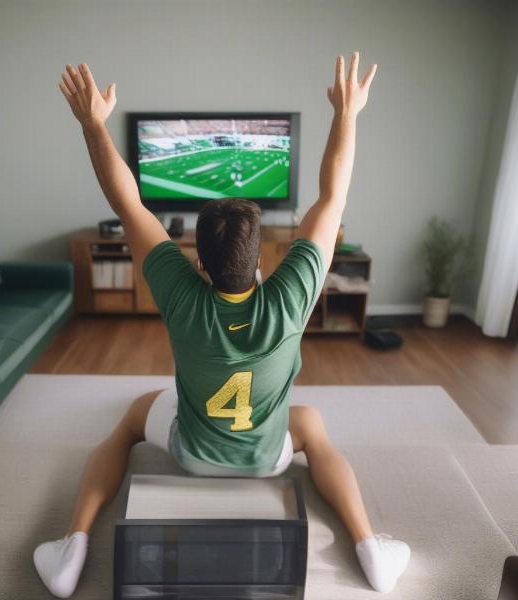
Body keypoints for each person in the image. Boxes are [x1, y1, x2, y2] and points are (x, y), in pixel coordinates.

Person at [34, 52, 410, 598]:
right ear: (261, 260)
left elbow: (127, 201)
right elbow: (333, 197)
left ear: (200, 264)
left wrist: (94, 123)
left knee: (135, 416)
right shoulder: (292, 296)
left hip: (192, 456)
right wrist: (347, 113)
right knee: (312, 425)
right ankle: (370, 548)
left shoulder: (181, 295)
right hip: (267, 459)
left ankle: (73, 546)